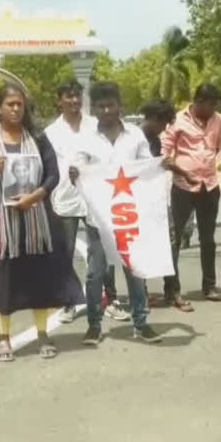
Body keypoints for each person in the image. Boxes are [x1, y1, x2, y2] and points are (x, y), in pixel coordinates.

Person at [0, 83, 84, 360]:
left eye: (20, 104)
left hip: (36, 221)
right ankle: (3, 338)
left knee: (38, 276)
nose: (16, 109)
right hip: (0, 222)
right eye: (10, 104)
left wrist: (36, 197)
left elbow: (53, 175)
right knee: (3, 276)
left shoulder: (38, 138)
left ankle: (42, 334)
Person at [71, 81, 165, 346]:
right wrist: (75, 173)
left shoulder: (135, 135)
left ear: (119, 106)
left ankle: (141, 323)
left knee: (134, 269)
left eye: (110, 104)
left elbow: (147, 166)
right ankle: (94, 324)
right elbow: (77, 168)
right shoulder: (86, 138)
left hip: (130, 215)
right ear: (95, 108)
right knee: (95, 273)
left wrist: (161, 165)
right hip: (99, 218)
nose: (106, 110)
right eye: (100, 106)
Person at [44, 79, 124, 324]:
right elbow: (47, 168)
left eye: (77, 96)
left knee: (102, 251)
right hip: (64, 198)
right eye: (68, 96)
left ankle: (110, 299)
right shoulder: (50, 132)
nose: (74, 101)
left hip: (95, 196)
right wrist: (48, 201)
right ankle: (68, 301)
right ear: (59, 100)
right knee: (65, 252)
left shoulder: (95, 125)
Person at [161, 84, 221, 307]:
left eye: (216, 104)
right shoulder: (177, 121)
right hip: (183, 188)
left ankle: (209, 286)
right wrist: (184, 172)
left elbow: (216, 148)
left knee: (208, 240)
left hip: (210, 186)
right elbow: (164, 156)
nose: (214, 108)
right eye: (211, 104)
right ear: (197, 101)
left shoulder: (218, 120)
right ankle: (172, 290)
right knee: (174, 240)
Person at [138, 99, 181, 308]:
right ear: (154, 119)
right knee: (140, 248)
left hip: (157, 200)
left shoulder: (155, 140)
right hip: (137, 203)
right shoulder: (134, 139)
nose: (164, 129)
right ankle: (141, 293)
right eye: (163, 124)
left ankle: (172, 290)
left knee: (170, 244)